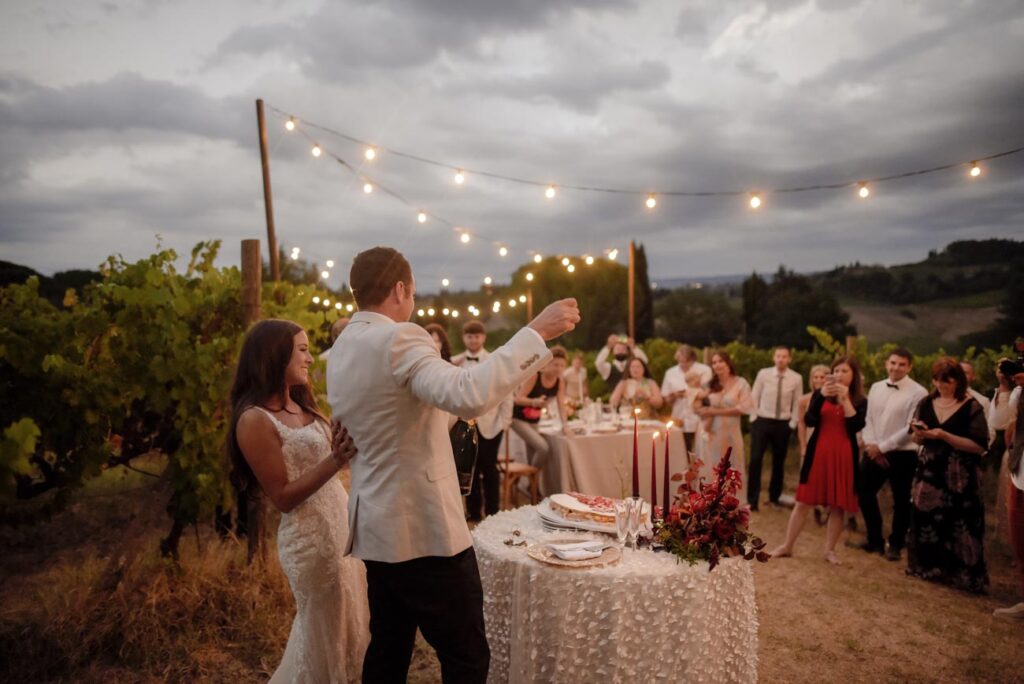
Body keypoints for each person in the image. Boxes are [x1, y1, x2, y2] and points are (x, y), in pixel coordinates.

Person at [327, 247, 579, 683]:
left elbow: (408, 413)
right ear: (400, 289)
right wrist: (534, 332)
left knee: (387, 651)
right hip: (422, 530)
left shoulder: (344, 343)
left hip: (375, 525)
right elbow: (467, 393)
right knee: (465, 656)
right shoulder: (400, 338)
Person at [227, 319, 369, 683]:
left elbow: (334, 457)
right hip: (310, 540)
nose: (309, 358)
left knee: (352, 625)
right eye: (302, 350)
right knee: (323, 634)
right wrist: (335, 460)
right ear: (275, 355)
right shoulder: (254, 420)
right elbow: (283, 498)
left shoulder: (303, 405)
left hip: (341, 526)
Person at [771, 356, 867, 565]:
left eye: (845, 371)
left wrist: (846, 401)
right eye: (837, 371)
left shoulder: (860, 400)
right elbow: (810, 420)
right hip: (819, 454)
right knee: (803, 501)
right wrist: (821, 396)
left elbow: (856, 426)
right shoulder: (819, 394)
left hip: (843, 456)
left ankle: (829, 550)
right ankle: (787, 545)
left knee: (838, 505)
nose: (840, 375)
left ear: (854, 376)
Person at [906, 358, 989, 593]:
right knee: (926, 516)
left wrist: (945, 436)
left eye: (947, 381)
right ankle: (927, 567)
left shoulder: (971, 406)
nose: (941, 385)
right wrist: (919, 435)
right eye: (937, 380)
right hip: (930, 470)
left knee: (961, 520)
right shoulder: (926, 402)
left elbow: (980, 445)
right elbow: (914, 438)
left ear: (958, 381)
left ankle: (961, 573)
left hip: (960, 474)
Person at [857, 348, 928, 561]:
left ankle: (896, 544)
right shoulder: (877, 387)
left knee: (901, 500)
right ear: (886, 363)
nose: (896, 367)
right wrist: (872, 445)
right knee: (864, 492)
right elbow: (868, 419)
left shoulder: (919, 393)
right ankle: (874, 540)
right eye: (893, 363)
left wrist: (884, 447)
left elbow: (910, 428)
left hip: (903, 455)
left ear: (909, 367)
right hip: (873, 449)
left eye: (901, 364)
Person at [452, 320, 514, 522]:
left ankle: (493, 512)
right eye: (469, 336)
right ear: (464, 338)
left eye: (477, 336)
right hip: (464, 425)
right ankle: (473, 511)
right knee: (469, 469)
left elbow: (507, 392)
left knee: (490, 469)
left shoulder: (493, 360)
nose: (473, 340)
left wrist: (504, 423)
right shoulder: (455, 362)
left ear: (483, 338)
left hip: (491, 425)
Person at [748, 346, 803, 510]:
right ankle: (752, 500)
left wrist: (792, 423)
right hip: (762, 421)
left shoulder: (796, 378)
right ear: (774, 358)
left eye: (784, 357)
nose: (781, 359)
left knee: (779, 462)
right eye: (778, 356)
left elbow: (797, 402)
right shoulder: (763, 374)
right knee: (755, 459)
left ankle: (774, 498)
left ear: (789, 359)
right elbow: (754, 395)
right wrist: (754, 417)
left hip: (782, 424)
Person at [695, 350, 753, 500]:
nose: (717, 365)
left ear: (728, 363)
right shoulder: (709, 385)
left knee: (732, 466)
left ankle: (732, 502)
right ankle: (710, 502)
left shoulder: (741, 383)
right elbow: (697, 405)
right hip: (711, 433)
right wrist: (702, 411)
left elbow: (744, 408)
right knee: (711, 467)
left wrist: (715, 411)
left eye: (720, 361)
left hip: (730, 433)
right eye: (714, 362)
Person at [511, 346, 572, 471]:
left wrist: (565, 425)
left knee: (533, 451)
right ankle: (531, 478)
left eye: (562, 365)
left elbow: (561, 405)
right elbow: (518, 399)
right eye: (555, 365)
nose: (559, 369)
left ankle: (532, 487)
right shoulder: (535, 376)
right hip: (517, 418)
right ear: (547, 363)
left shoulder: (560, 381)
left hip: (534, 419)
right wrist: (535, 402)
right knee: (543, 447)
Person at [995, 358, 1024, 619]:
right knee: (1020, 540)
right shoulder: (1017, 391)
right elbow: (1001, 423)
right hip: (1020, 472)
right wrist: (1005, 388)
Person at [661, 344, 713, 456]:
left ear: (692, 359)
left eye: (686, 362)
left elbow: (709, 393)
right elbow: (666, 398)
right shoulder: (670, 373)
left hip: (699, 419)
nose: (683, 364)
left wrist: (691, 393)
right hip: (679, 418)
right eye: (680, 361)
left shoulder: (704, 370)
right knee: (681, 454)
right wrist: (673, 396)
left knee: (700, 455)